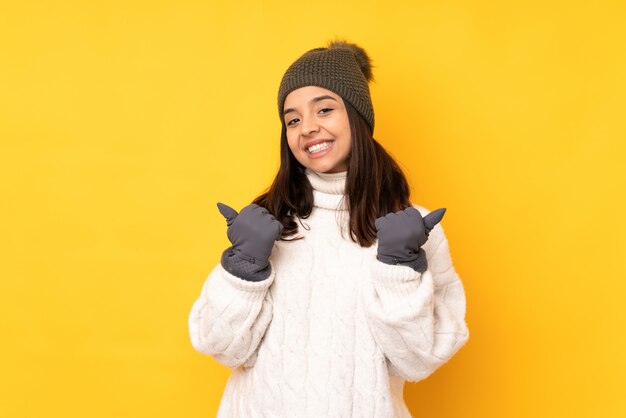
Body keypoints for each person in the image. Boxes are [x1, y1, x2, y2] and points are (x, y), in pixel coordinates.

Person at [188, 38, 469, 417]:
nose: (308, 128)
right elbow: (218, 345)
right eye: (293, 119)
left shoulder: (412, 230)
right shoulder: (267, 222)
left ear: (357, 116)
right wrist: (242, 268)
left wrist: (401, 269)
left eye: (324, 109)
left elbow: (419, 360)